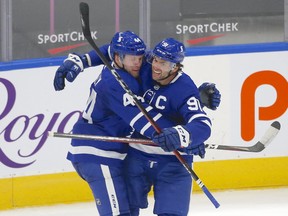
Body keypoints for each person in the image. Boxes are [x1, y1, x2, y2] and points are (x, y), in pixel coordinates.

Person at [54, 32, 220, 216]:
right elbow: (145, 120)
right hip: (97, 151)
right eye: (154, 60)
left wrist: (188, 133)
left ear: (176, 67)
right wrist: (185, 139)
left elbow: (200, 122)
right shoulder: (114, 82)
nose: (149, 65)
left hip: (120, 153)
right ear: (119, 58)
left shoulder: (141, 66)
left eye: (141, 58)